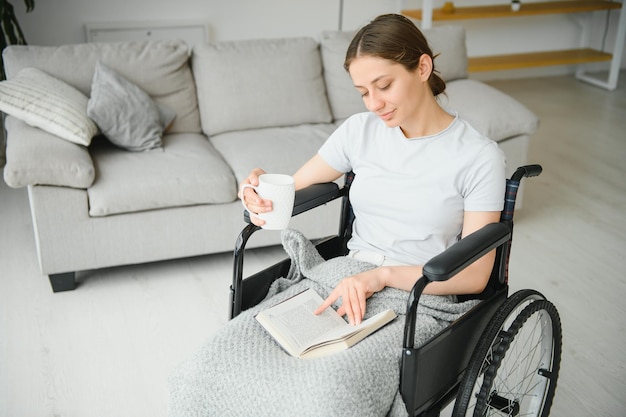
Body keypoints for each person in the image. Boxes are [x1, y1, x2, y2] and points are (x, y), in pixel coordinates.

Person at [239, 13, 506, 326]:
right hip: (346, 277)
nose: (374, 104)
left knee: (324, 373)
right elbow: (293, 186)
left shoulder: (478, 156)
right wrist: (256, 189)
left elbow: (475, 275)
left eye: (384, 86)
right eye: (364, 92)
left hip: (419, 295)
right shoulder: (359, 131)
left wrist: (381, 277)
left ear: (422, 68)